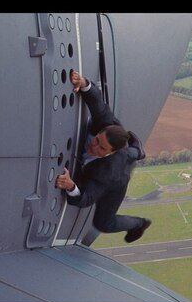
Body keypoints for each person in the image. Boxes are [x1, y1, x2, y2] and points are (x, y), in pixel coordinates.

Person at [55, 71, 151, 243]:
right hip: (118, 154)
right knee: (129, 153)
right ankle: (138, 151)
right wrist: (83, 83)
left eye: (101, 148)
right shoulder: (105, 123)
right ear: (100, 131)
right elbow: (96, 101)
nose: (94, 146)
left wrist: (70, 186)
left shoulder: (108, 173)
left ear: (111, 152)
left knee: (103, 223)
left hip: (117, 180)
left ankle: (140, 224)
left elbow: (85, 199)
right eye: (97, 140)